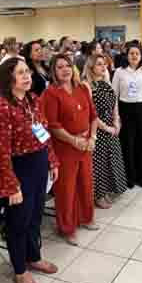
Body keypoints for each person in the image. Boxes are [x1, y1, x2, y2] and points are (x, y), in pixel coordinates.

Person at [0, 58, 59, 283]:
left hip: (38, 164)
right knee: (18, 222)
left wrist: (52, 160)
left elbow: (43, 132)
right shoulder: (1, 107)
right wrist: (11, 185)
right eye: (20, 73)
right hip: (18, 169)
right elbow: (0, 152)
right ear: (9, 78)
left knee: (35, 216)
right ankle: (20, 269)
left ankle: (33, 257)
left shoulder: (32, 100)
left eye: (27, 71)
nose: (27, 76)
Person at [41, 53, 99, 246]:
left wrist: (92, 137)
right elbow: (53, 125)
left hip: (85, 144)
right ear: (53, 72)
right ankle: (67, 227)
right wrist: (74, 140)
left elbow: (93, 116)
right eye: (59, 67)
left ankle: (86, 217)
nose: (65, 69)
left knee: (86, 182)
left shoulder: (82, 88)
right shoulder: (51, 93)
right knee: (66, 188)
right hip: (65, 147)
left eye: (67, 65)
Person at [113, 44, 142, 189]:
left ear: (140, 57)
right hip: (126, 110)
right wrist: (116, 115)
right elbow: (114, 95)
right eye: (131, 53)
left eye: (137, 54)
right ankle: (129, 178)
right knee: (128, 144)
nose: (134, 56)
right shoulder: (120, 72)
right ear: (127, 55)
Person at [84, 55, 127, 209]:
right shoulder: (87, 86)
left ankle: (108, 190)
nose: (103, 68)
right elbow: (91, 113)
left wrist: (117, 121)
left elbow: (114, 104)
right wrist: (107, 127)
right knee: (99, 163)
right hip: (98, 129)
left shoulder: (106, 82)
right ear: (90, 67)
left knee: (111, 160)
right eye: (99, 64)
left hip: (112, 126)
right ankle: (98, 195)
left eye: (105, 65)